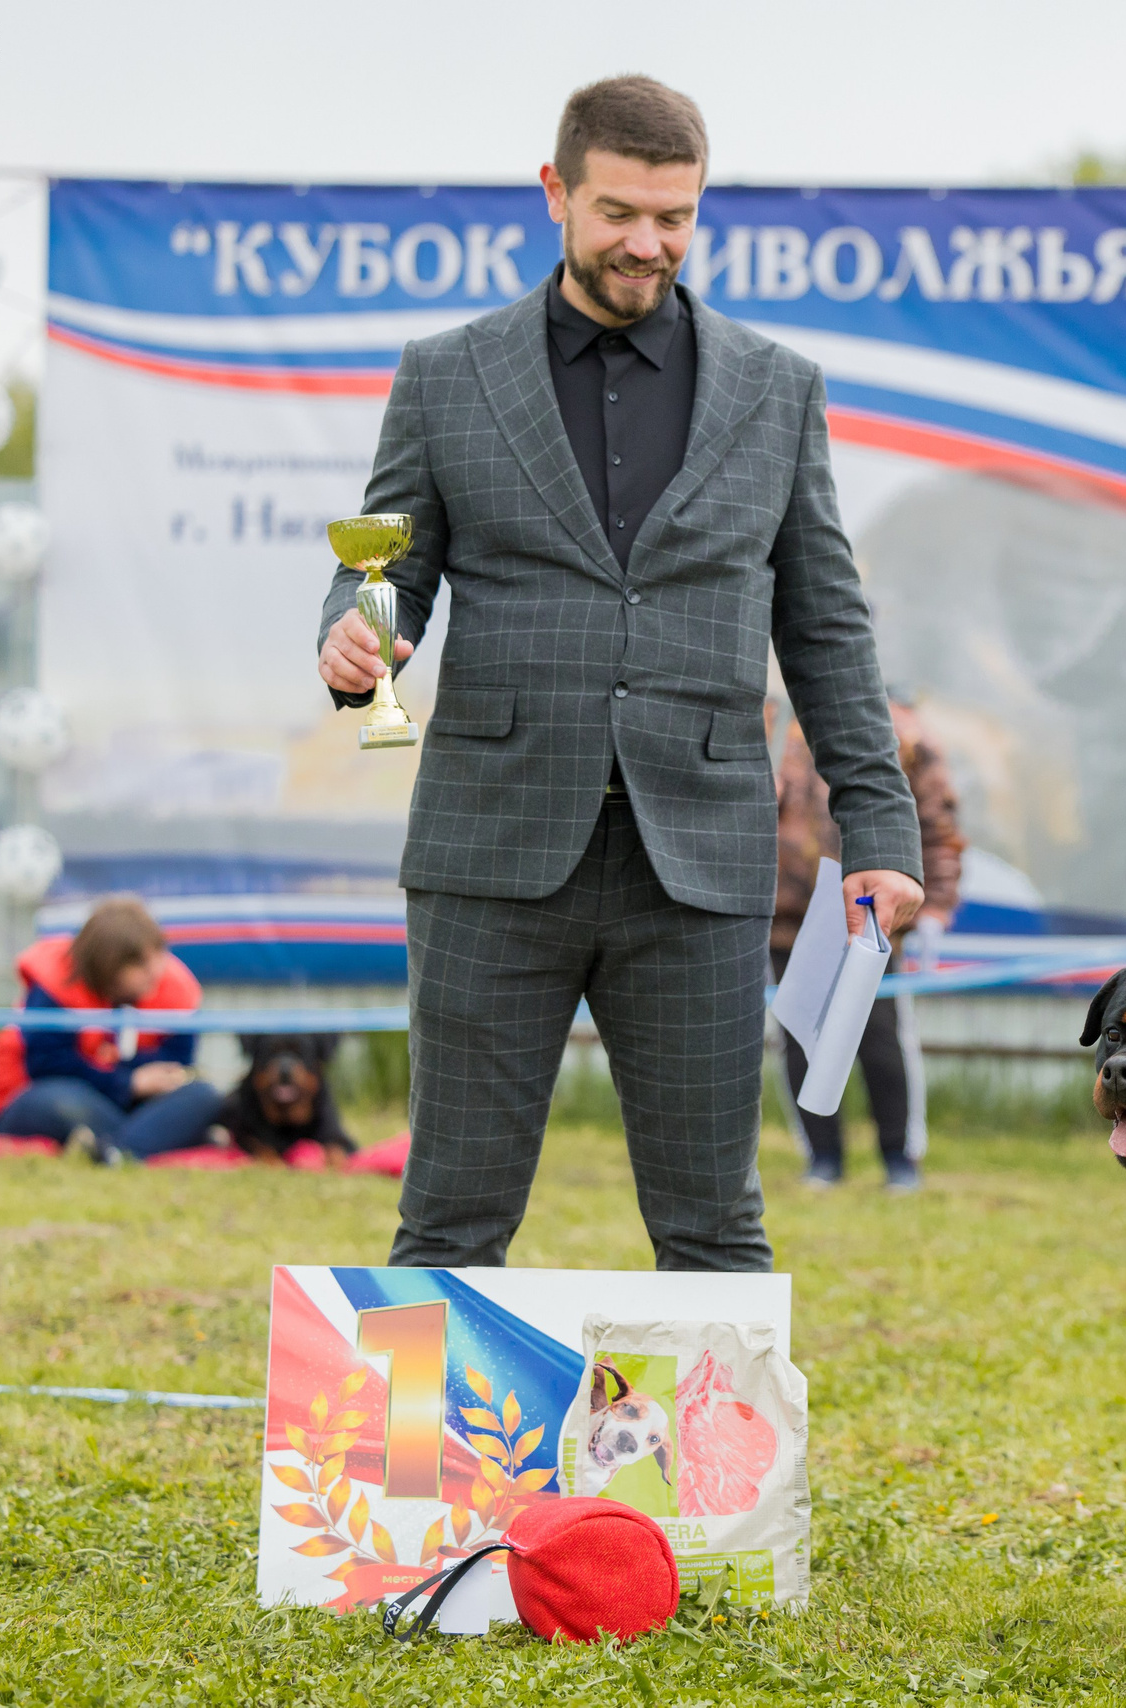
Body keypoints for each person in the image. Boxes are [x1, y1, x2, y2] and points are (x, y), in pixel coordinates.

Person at [315, 74, 922, 1273]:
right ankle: (400, 1469)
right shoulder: (444, 374)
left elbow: (828, 627)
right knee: (446, 1219)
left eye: (675, 217)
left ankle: (724, 1473)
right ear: (554, 193)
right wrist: (359, 632)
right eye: (618, 213)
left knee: (714, 1228)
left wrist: (880, 826)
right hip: (489, 852)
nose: (647, 243)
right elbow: (390, 569)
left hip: (697, 866)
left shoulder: (777, 388)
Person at [771, 697, 965, 1191]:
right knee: (798, 1040)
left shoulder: (900, 728)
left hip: (869, 916)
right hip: (786, 919)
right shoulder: (770, 725)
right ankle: (823, 1158)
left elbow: (937, 824)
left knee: (881, 1042)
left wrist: (936, 906)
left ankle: (899, 1159)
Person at [0, 896, 222, 1164]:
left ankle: (115, 1150)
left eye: (158, 955)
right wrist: (129, 1083)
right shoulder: (54, 984)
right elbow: (48, 1065)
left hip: (130, 1106)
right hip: (46, 1093)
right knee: (61, 1102)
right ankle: (145, 1142)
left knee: (204, 1095)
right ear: (106, 966)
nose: (155, 971)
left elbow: (176, 1062)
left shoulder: (176, 990)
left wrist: (146, 1081)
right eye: (138, 964)